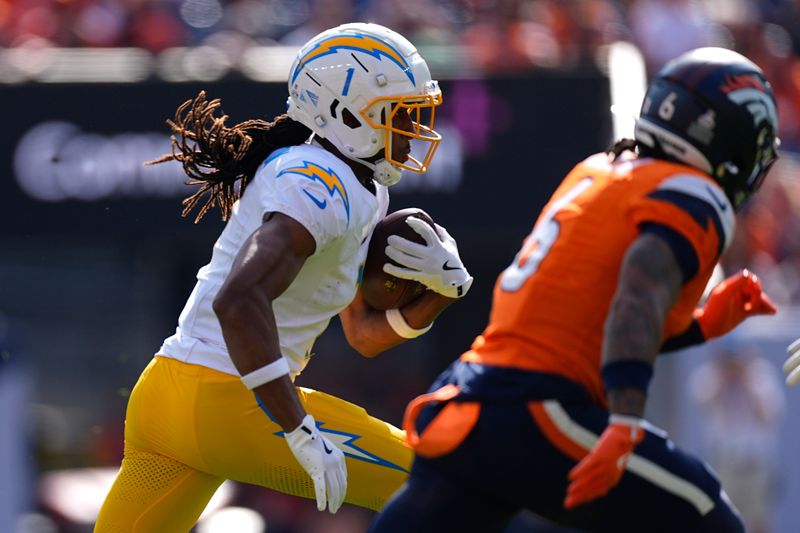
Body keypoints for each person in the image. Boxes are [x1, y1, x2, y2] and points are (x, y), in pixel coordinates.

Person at [370, 47, 779, 533]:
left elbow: (591, 317)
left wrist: (703, 325)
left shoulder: (598, 171)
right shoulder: (689, 192)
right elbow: (637, 297)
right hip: (538, 408)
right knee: (707, 516)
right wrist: (625, 423)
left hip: (469, 397)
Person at [94, 22, 473, 532]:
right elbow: (238, 298)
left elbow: (362, 335)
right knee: (445, 484)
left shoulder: (354, 183)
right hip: (229, 404)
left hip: (167, 394)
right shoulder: (319, 182)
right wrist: (295, 425)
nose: (413, 131)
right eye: (401, 115)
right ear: (344, 113)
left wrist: (443, 295)